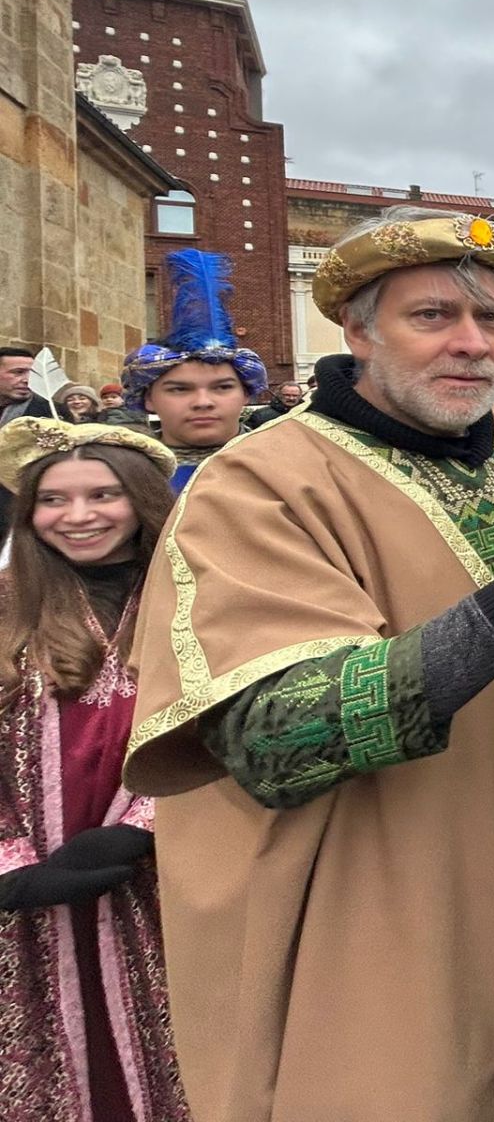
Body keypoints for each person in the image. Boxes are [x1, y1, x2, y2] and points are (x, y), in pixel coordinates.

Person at [123, 207, 494, 1122]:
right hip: (398, 920)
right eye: (432, 316)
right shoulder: (260, 483)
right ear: (356, 328)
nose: (473, 345)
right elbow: (275, 735)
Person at [0, 417, 190, 1120]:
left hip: (172, 881)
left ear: (141, 501)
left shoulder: (196, 599)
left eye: (103, 495)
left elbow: (227, 716)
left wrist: (145, 824)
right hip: (29, 900)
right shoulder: (6, 605)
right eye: (53, 500)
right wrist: (13, 863)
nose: (78, 517)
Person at [120, 250, 268, 492]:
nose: (203, 402)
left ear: (246, 394)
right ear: (148, 399)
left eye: (222, 387)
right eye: (179, 389)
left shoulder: (286, 465)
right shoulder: (121, 476)